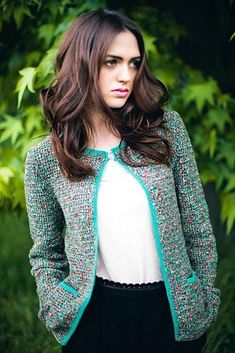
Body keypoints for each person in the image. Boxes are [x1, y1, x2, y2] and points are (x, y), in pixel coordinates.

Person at [24, 9, 221, 353]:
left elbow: (197, 226)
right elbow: (46, 252)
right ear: (82, 63)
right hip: (94, 316)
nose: (126, 75)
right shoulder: (46, 158)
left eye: (134, 63)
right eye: (111, 62)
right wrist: (56, 303)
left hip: (173, 313)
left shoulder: (165, 131)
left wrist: (201, 293)